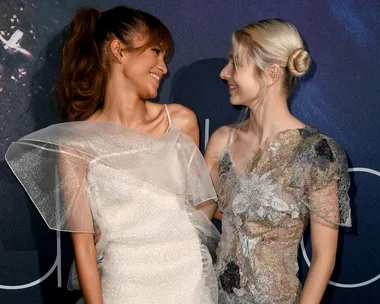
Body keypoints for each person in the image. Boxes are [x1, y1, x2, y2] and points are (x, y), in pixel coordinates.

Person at [5, 6, 219, 304]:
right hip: (125, 285)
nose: (163, 67)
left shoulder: (181, 122)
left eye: (165, 57)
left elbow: (201, 207)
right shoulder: (75, 146)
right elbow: (84, 250)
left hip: (186, 280)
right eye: (155, 52)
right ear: (119, 51)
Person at [204, 19, 351, 303]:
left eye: (235, 63)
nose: (224, 73)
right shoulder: (222, 141)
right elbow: (202, 214)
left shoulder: (317, 152)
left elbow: (323, 259)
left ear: (271, 74)